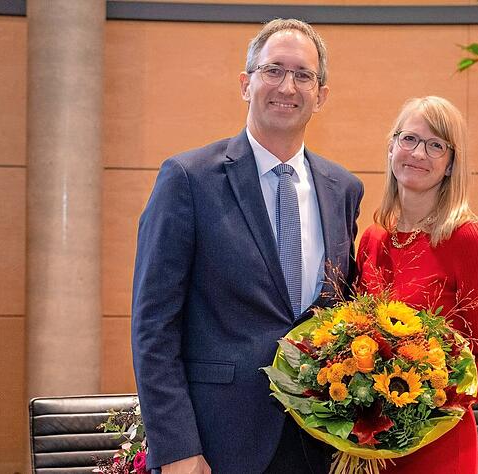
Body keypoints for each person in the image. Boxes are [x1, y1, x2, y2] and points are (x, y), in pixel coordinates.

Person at [131, 19, 363, 474]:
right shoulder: (188, 179)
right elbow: (153, 327)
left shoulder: (343, 189)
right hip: (215, 446)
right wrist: (177, 448)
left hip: (317, 442)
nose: (287, 86)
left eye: (303, 75)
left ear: (321, 94)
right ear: (246, 83)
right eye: (273, 70)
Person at [356, 96, 478, 473]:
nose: (418, 154)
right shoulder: (374, 238)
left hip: (438, 445)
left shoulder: (471, 239)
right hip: (371, 447)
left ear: (450, 165)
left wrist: (421, 403)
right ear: (392, 146)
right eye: (409, 139)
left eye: (435, 145)